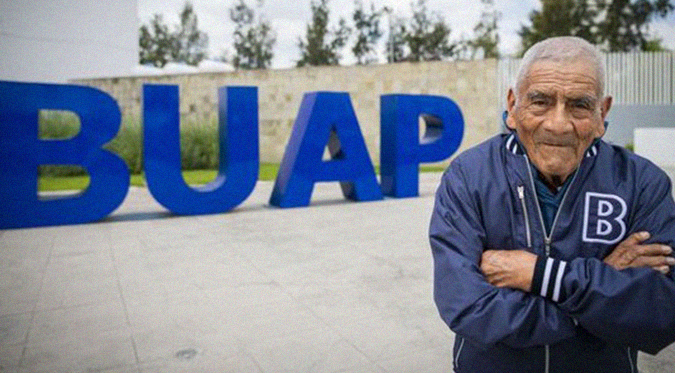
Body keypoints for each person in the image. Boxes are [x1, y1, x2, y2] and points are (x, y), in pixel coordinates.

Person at [429, 36, 675, 373]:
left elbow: (661, 314)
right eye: (540, 101)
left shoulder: (642, 183)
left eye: (579, 105)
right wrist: (602, 287)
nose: (558, 124)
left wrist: (540, 275)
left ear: (602, 112)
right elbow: (467, 307)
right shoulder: (468, 176)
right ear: (513, 105)